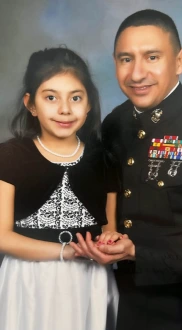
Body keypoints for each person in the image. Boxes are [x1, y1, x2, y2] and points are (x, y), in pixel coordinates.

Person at [71, 9, 182, 330]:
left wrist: (137, 249)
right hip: (117, 303)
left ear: (180, 61)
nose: (137, 74)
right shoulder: (116, 123)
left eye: (152, 57)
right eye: (125, 59)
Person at [0, 47, 119, 330]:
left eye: (76, 98)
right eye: (50, 97)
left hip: (89, 280)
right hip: (27, 281)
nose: (65, 109)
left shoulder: (104, 158)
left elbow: (109, 229)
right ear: (31, 104)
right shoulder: (11, 156)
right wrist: (66, 251)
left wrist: (108, 244)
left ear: (89, 103)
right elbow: (2, 235)